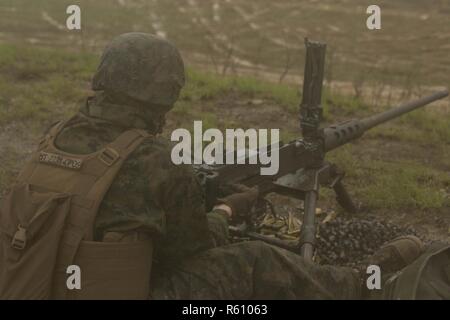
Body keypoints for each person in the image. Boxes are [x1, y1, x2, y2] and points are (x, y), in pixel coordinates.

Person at [0, 33, 437, 300]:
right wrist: (228, 213)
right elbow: (189, 251)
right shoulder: (158, 161)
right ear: (165, 95)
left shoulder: (54, 137)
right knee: (252, 260)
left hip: (40, 283)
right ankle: (366, 286)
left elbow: (106, 207)